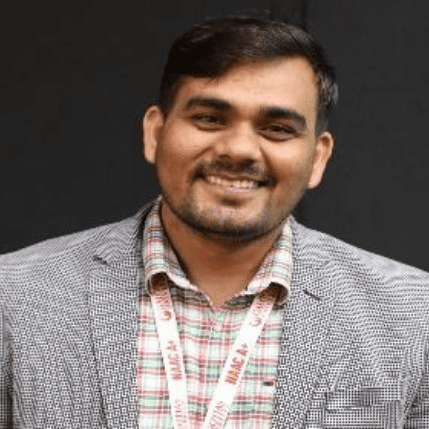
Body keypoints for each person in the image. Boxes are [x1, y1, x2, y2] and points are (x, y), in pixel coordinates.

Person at [1, 14, 428, 429]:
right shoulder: (16, 297)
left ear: (317, 158)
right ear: (155, 134)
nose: (239, 149)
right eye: (209, 119)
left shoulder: (413, 317)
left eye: (277, 128)